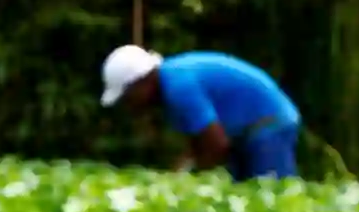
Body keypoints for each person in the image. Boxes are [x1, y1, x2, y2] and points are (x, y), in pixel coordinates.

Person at [100, 45, 301, 181]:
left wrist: (192, 183)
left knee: (273, 200)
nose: (129, 105)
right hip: (247, 131)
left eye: (128, 97)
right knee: (249, 201)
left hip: (268, 125)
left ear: (141, 83)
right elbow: (199, 141)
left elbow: (216, 144)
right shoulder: (170, 83)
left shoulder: (178, 87)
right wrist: (178, 175)